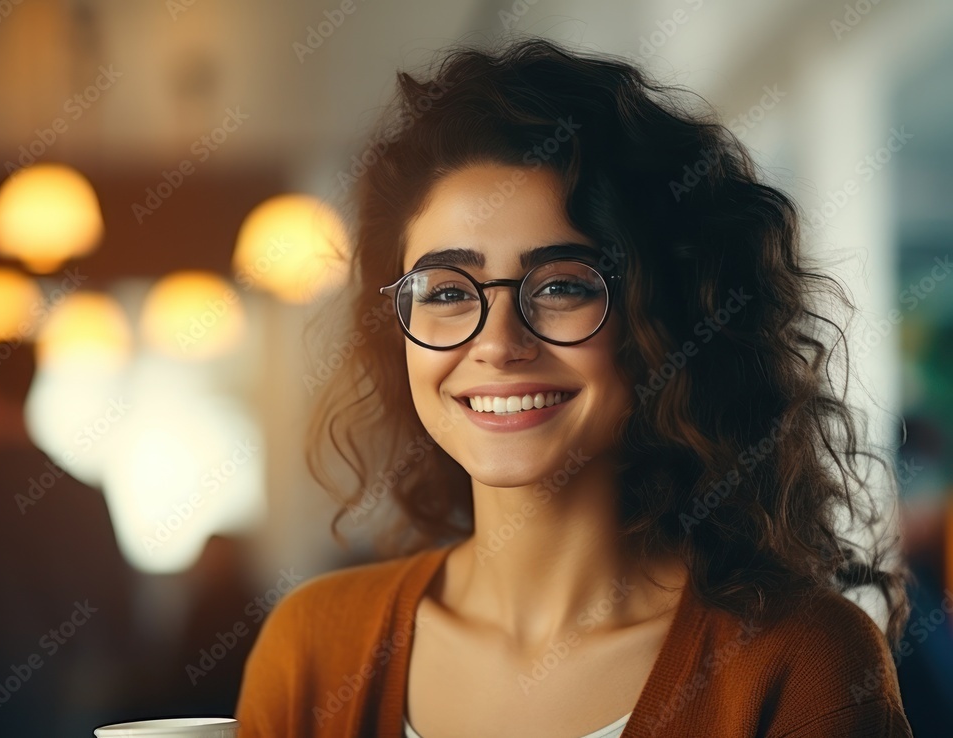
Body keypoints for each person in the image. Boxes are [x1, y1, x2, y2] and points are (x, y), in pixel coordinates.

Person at [235, 37, 915, 737]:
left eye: (561, 285)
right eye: (445, 292)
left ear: (666, 317)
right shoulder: (312, 647)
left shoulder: (801, 661)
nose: (497, 343)